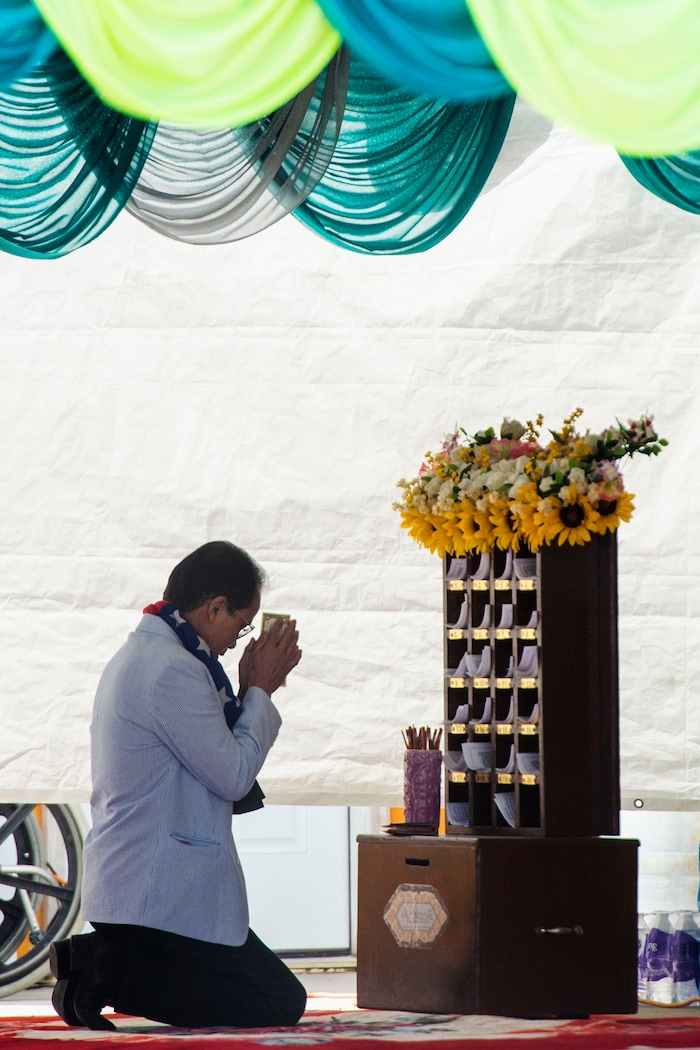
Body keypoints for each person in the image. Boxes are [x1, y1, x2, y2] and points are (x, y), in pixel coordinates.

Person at [50, 540, 305, 1030]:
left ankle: (103, 963)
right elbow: (232, 775)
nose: (239, 638)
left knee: (271, 995)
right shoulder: (174, 670)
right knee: (275, 1001)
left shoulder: (149, 653)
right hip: (157, 892)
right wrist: (260, 692)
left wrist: (251, 692)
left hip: (140, 886)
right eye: (241, 622)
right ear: (214, 608)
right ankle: (105, 970)